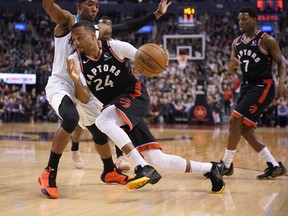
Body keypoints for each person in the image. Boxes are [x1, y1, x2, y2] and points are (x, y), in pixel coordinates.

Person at [66, 20, 226, 194]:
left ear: (92, 35)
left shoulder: (115, 47)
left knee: (103, 121)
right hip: (117, 107)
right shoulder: (75, 60)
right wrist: (75, 80)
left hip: (134, 95)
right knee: (157, 159)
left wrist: (160, 56)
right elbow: (84, 98)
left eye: (79, 38)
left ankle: (142, 167)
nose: (76, 42)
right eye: (73, 39)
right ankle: (211, 168)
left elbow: (146, 58)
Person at [39, 0, 171, 199]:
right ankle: (49, 172)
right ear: (79, 5)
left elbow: (126, 27)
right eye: (90, 4)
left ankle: (109, 170)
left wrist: (156, 15)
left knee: (99, 130)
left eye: (97, 6)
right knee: (71, 118)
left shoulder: (95, 31)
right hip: (62, 83)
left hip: (84, 86)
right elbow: (49, 7)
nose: (94, 8)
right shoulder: (67, 22)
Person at [221, 7, 288, 179]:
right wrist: (231, 66)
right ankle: (274, 166)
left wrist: (282, 82)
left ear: (254, 20)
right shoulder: (236, 42)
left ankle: (226, 164)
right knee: (245, 129)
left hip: (263, 86)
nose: (240, 22)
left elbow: (281, 63)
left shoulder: (267, 40)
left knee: (234, 119)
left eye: (244, 19)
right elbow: (232, 70)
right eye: (239, 20)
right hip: (246, 86)